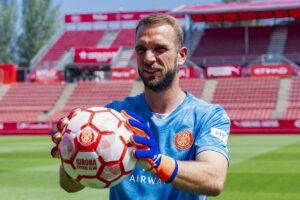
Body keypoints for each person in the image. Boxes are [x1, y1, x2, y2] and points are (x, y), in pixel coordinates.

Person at [51, 13, 230, 200]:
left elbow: (214, 179)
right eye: (141, 49)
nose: (148, 58)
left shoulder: (208, 116)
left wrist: (157, 163)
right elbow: (68, 186)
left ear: (181, 56)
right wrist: (71, 156)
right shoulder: (113, 115)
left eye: (159, 49)